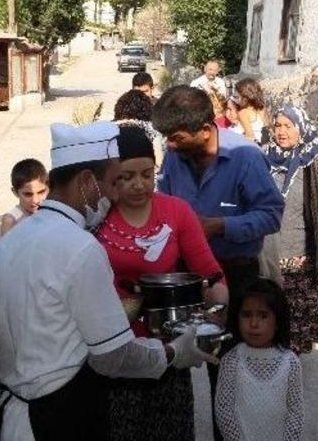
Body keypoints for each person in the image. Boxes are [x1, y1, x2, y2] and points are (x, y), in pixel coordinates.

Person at [0, 122, 216, 441]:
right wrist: (174, 352)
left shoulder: (4, 245)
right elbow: (113, 357)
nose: (117, 194)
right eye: (113, 182)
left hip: (10, 417)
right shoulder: (81, 248)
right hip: (59, 419)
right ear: (87, 182)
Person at [152, 85, 284, 441]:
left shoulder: (245, 157)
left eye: (177, 138)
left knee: (231, 370)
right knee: (180, 359)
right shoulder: (175, 158)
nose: (171, 145)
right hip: (189, 278)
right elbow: (164, 203)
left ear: (205, 129)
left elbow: (271, 216)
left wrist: (220, 226)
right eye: (167, 138)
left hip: (236, 275)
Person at [94, 125, 227, 441]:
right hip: (116, 350)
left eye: (146, 173)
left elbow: (211, 274)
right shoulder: (97, 216)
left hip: (169, 349)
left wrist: (216, 314)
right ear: (110, 177)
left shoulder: (176, 212)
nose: (138, 185)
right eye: (125, 177)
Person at [264, 106, 318, 354]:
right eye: (277, 125)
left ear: (301, 128)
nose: (281, 131)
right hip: (269, 252)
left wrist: (317, 211)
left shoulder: (317, 158)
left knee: (296, 321)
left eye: (288, 126)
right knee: (270, 314)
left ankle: (289, 371)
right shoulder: (265, 157)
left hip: (302, 252)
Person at [215, 278, 304, 441]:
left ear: (277, 321)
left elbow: (295, 413)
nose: (254, 323)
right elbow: (224, 410)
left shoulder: (290, 363)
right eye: (246, 315)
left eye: (263, 316)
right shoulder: (232, 361)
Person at [0, 158, 49, 236]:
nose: (35, 200)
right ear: (15, 192)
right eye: (28, 194)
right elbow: (4, 248)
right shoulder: (11, 220)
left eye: (41, 192)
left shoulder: (50, 211)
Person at [233, 78, 270, 144]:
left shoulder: (243, 113)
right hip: (266, 144)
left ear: (245, 97)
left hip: (255, 147)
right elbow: (269, 128)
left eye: (237, 97)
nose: (235, 100)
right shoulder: (262, 108)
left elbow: (250, 136)